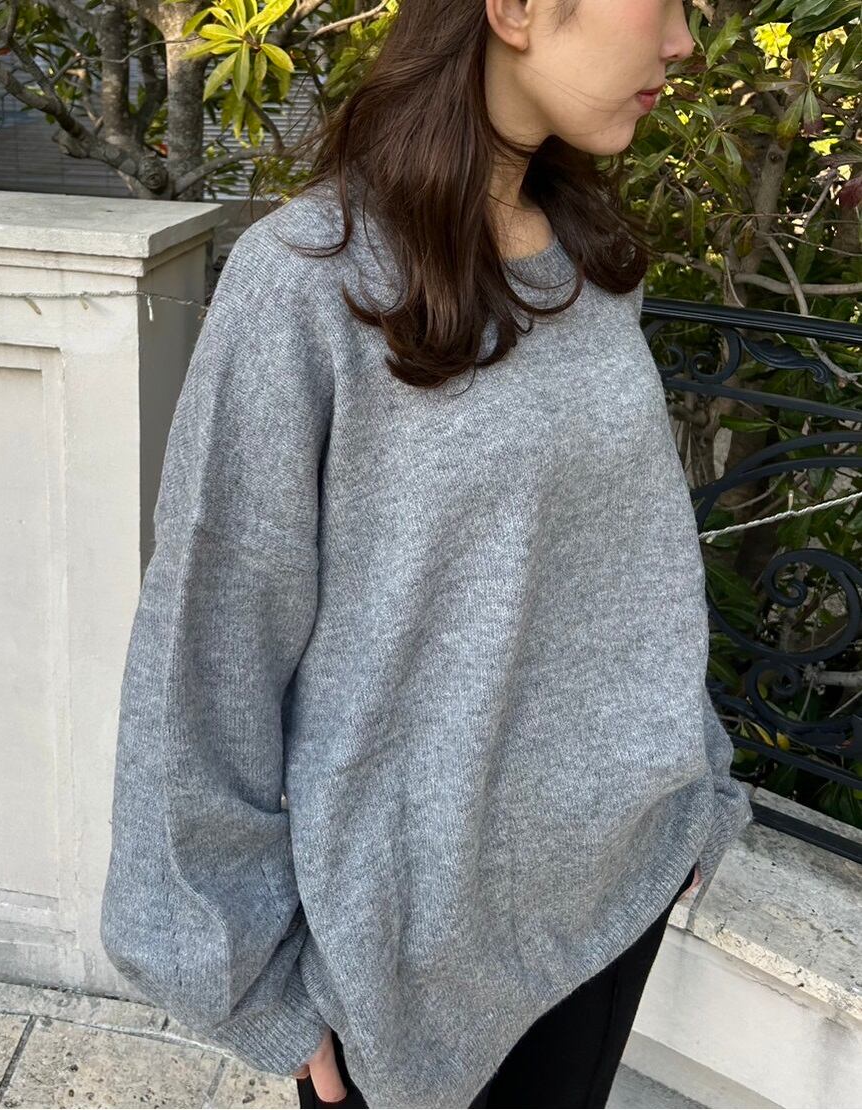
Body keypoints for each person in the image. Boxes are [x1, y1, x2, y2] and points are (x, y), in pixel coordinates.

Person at [99, 1, 753, 1107]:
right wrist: (241, 972)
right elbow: (209, 643)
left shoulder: (586, 261)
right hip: (405, 954)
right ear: (514, 9)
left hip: (615, 883)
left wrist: (692, 774)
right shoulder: (305, 279)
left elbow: (624, 561)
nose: (684, 40)